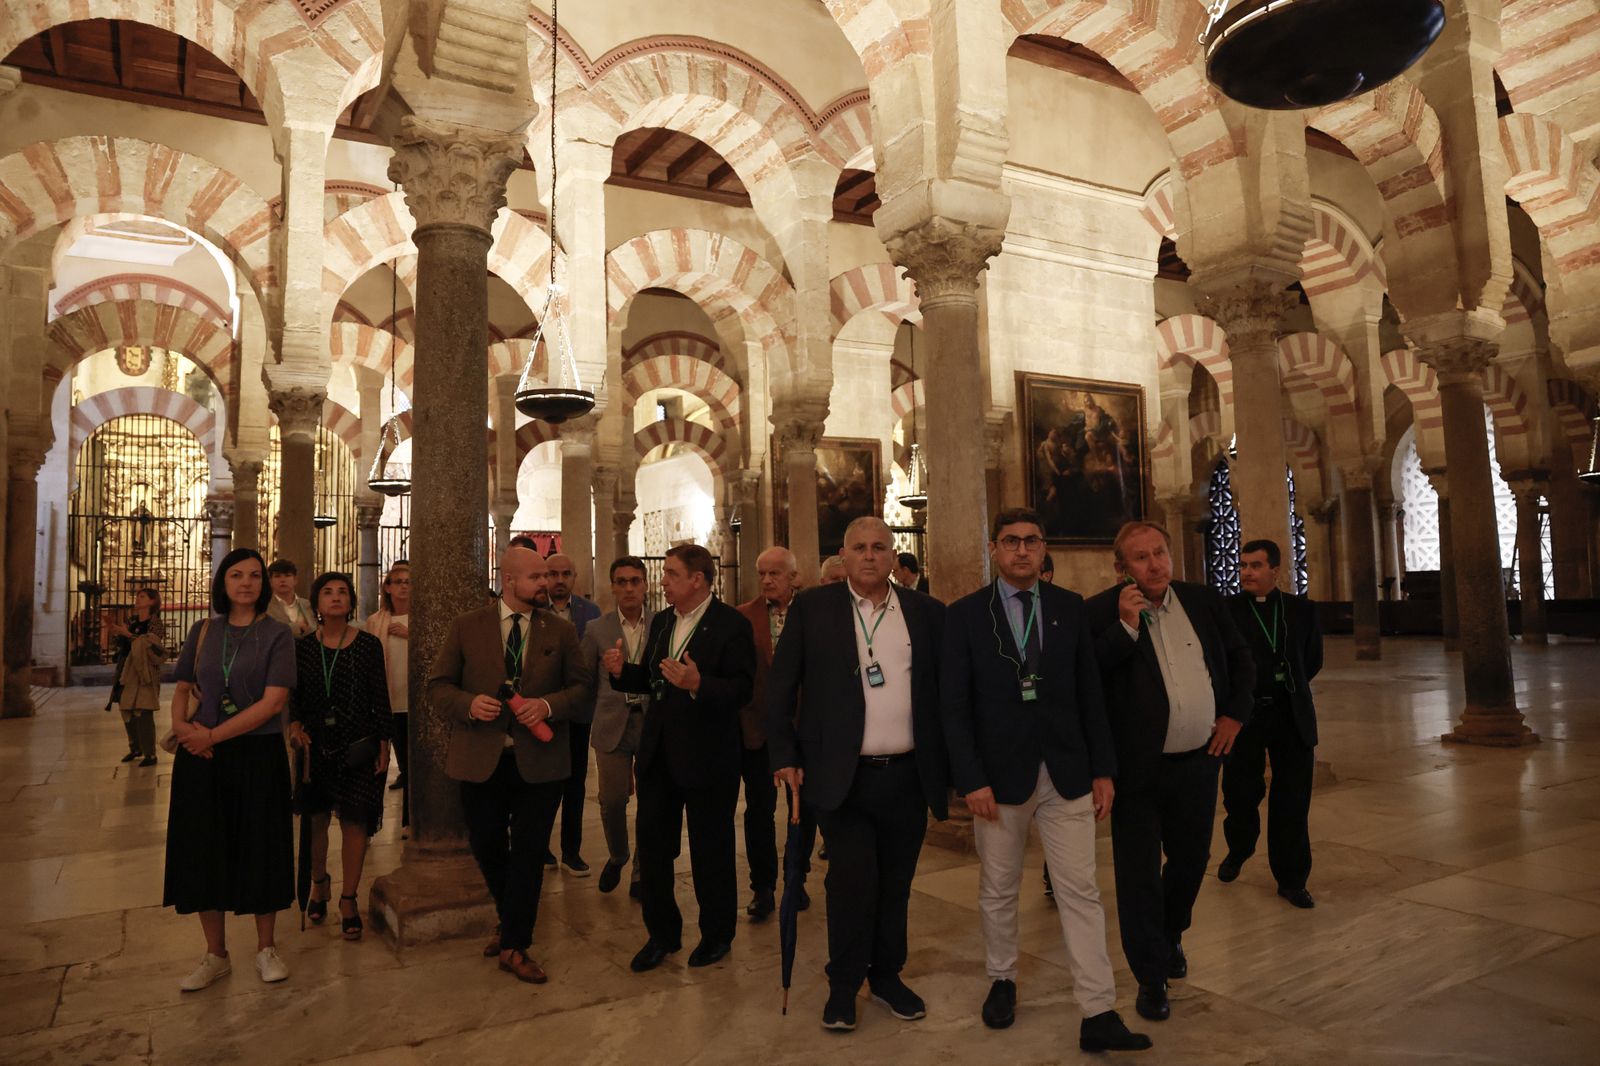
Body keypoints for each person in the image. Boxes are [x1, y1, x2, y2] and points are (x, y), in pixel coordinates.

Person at [941, 508, 1149, 1051]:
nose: (1022, 551)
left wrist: (1102, 768)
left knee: (1081, 890)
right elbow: (954, 707)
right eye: (1011, 542)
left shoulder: (1068, 608)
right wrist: (971, 779)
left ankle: (1098, 1010)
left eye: (1032, 541)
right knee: (999, 887)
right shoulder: (965, 615)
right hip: (999, 776)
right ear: (994, 549)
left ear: (1043, 548)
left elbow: (1088, 695)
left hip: (1066, 771)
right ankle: (1002, 978)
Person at [766, 516, 948, 1033]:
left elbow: (944, 697)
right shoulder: (814, 610)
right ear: (843, 556)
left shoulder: (925, 613)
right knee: (850, 884)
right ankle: (844, 986)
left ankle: (887, 975)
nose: (870, 556)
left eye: (880, 547)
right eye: (860, 548)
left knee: (895, 884)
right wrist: (785, 755)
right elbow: (781, 687)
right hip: (840, 776)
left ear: (895, 557)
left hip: (907, 776)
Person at [1084, 521, 1254, 1023]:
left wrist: (1236, 713)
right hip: (1135, 773)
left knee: (1190, 861)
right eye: (1141, 558)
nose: (1155, 564)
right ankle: (1151, 976)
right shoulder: (1099, 611)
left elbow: (1241, 660)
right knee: (1137, 878)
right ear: (1121, 569)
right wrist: (1126, 628)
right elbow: (1088, 681)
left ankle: (1172, 931)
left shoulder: (1202, 601)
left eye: (1160, 553)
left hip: (1198, 763)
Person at [428, 546, 589, 984]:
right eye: (536, 576)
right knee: (488, 846)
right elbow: (438, 686)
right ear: (509, 580)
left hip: (540, 762)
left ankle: (516, 943)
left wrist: (546, 706)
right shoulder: (467, 626)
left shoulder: (560, 631)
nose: (546, 583)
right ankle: (510, 919)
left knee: (530, 851)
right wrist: (467, 703)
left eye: (548, 576)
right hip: (482, 759)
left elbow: (581, 691)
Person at [602, 544, 756, 973]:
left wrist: (699, 683)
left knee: (712, 852)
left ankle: (716, 936)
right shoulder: (665, 621)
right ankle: (662, 934)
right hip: (660, 757)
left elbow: (743, 689)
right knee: (652, 851)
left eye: (670, 574)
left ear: (698, 580)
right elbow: (655, 678)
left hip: (709, 758)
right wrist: (621, 673)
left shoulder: (731, 624)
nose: (662, 581)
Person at [163, 547, 297, 991]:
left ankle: (265, 948)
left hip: (255, 753)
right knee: (204, 849)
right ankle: (215, 953)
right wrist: (182, 727)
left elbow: (273, 702)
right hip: (200, 756)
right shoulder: (204, 630)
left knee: (261, 846)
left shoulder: (277, 634)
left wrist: (212, 736)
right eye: (236, 575)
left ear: (263, 585)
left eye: (254, 576)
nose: (246, 583)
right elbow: (183, 686)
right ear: (223, 582)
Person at [288, 572, 392, 941]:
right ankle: (319, 884)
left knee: (354, 822)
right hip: (317, 748)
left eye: (342, 592)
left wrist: (384, 741)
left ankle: (349, 898)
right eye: (328, 593)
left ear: (350, 602)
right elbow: (293, 695)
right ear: (316, 604)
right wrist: (295, 724)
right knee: (315, 823)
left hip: (358, 745)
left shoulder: (367, 645)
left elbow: (380, 694)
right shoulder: (302, 648)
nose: (335, 598)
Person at [1219, 539, 1323, 910]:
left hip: (1289, 713)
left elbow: (1312, 660)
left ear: (1275, 571)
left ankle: (1292, 879)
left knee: (1292, 799)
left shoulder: (1301, 611)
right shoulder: (1227, 610)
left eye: (1256, 565)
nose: (1247, 571)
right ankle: (1239, 848)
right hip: (1244, 716)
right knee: (1240, 793)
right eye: (1244, 565)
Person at [581, 556, 656, 898]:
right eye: (622, 581)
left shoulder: (662, 624)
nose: (629, 588)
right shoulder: (597, 629)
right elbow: (585, 679)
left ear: (645, 585)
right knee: (611, 799)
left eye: (635, 581)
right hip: (612, 722)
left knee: (652, 801)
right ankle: (618, 854)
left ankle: (643, 869)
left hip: (653, 723)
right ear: (612, 586)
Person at [733, 546, 798, 922]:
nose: (768, 580)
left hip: (801, 729)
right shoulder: (744, 617)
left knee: (801, 812)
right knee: (759, 812)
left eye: (776, 573)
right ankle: (763, 887)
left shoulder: (811, 613)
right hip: (757, 730)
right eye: (763, 574)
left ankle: (796, 880)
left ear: (793, 577)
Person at [544, 553, 601, 876]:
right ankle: (540, 846)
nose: (559, 580)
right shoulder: (536, 610)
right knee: (544, 781)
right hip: (544, 711)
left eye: (566, 573)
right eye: (553, 574)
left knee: (575, 783)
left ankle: (571, 850)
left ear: (575, 577)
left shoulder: (589, 613)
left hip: (578, 711)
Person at [364, 562, 411, 810]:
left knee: (411, 765)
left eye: (408, 582)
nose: (403, 586)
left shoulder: (423, 619)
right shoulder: (375, 621)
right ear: (388, 587)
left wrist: (410, 634)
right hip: (385, 700)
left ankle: (410, 820)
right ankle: (370, 816)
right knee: (381, 760)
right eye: (398, 581)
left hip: (411, 700)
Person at [107, 588, 165, 767]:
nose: (137, 600)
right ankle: (135, 747)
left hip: (144, 670)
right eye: (138, 596)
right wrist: (118, 633)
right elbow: (125, 644)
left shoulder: (155, 623)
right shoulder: (132, 621)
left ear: (152, 602)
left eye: (142, 597)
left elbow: (150, 644)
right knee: (127, 708)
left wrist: (128, 635)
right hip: (127, 667)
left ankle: (150, 754)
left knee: (143, 709)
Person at [266, 559, 315, 638]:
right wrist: (294, 628)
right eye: (277, 576)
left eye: (287, 575)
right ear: (270, 581)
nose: (282, 580)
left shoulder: (308, 604)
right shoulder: (264, 606)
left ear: (295, 579)